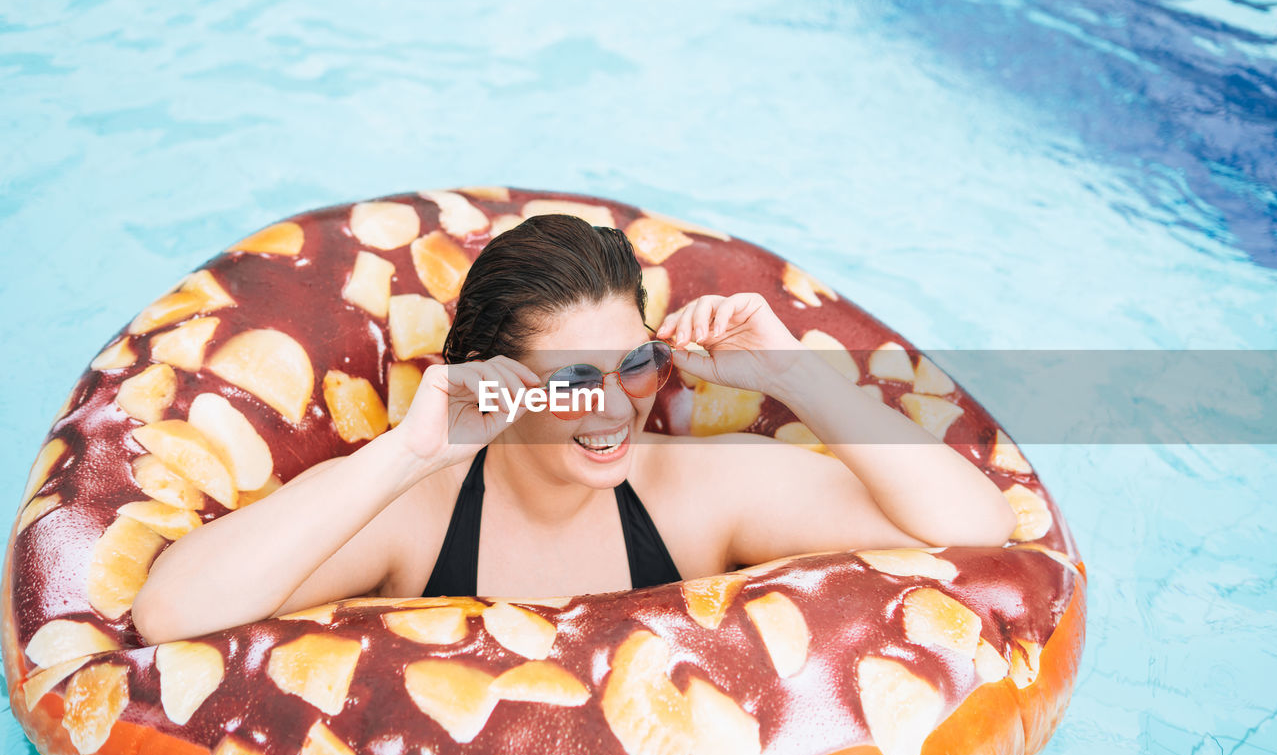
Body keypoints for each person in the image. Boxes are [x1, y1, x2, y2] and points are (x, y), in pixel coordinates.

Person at [131, 214, 1016, 645]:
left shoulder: (697, 496)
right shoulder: (422, 509)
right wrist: (407, 452)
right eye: (574, 381)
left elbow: (974, 529)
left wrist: (797, 379)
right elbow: (171, 613)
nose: (615, 406)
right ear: (499, 384)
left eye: (636, 364)